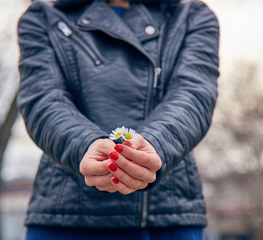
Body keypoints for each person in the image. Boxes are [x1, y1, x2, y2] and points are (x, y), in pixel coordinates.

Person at [17, 0, 219, 239]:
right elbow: (43, 99)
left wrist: (155, 145)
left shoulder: (191, 16)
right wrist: (85, 144)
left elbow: (194, 95)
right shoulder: (44, 16)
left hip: (165, 217)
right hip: (67, 215)